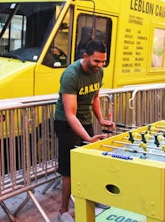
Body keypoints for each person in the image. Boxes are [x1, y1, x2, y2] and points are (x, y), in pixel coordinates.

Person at [54, 39, 115, 222]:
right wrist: (88, 138)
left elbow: (95, 97)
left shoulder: (99, 72)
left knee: (90, 163)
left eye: (103, 61)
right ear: (86, 57)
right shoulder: (71, 75)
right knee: (69, 170)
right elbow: (70, 114)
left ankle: (93, 198)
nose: (100, 65)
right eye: (96, 61)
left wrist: (101, 119)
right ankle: (63, 210)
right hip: (66, 124)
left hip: (85, 122)